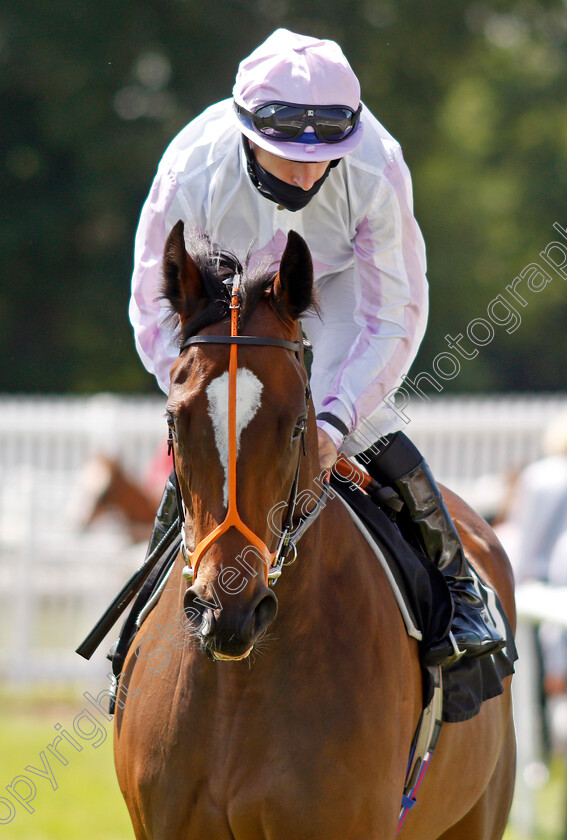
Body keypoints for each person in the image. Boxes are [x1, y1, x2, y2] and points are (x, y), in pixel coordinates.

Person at [129, 28, 503, 666]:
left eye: (324, 154)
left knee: (359, 419)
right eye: (284, 153)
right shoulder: (190, 168)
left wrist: (333, 419)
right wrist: (200, 398)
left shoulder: (376, 165)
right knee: (211, 426)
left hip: (336, 284)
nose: (306, 172)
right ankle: (143, 605)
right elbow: (151, 306)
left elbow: (394, 313)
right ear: (248, 133)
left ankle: (459, 588)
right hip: (226, 293)